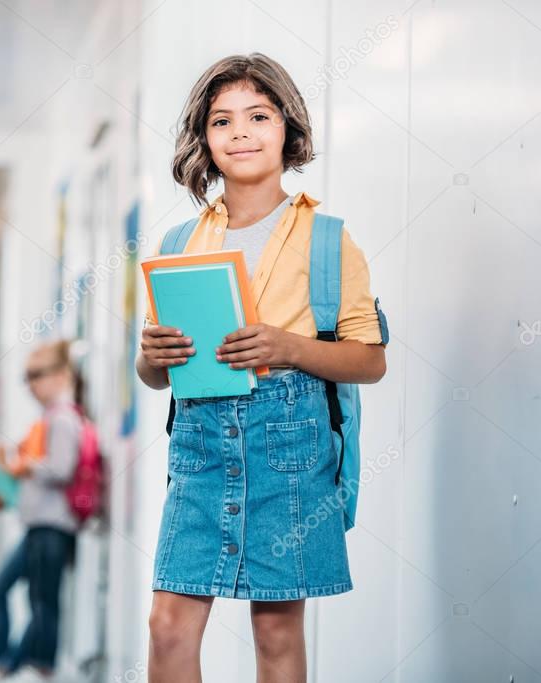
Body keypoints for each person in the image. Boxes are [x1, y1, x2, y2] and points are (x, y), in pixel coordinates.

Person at [137, 53, 388, 682]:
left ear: (288, 129)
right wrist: (149, 359)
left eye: (258, 115)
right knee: (167, 625)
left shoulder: (329, 240)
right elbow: (156, 376)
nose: (241, 132)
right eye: (222, 121)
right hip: (199, 447)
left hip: (290, 444)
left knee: (276, 632)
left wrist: (287, 347)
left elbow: (370, 361)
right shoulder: (178, 244)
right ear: (205, 140)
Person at [0, 340, 82, 683]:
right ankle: (8, 664)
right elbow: (40, 480)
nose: (31, 384)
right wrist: (9, 491)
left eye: (37, 375)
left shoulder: (61, 419)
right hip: (38, 525)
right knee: (12, 592)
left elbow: (61, 469)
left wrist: (20, 466)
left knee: (43, 602)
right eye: (26, 377)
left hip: (52, 528)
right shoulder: (45, 421)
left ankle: (37, 666)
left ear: (61, 376)